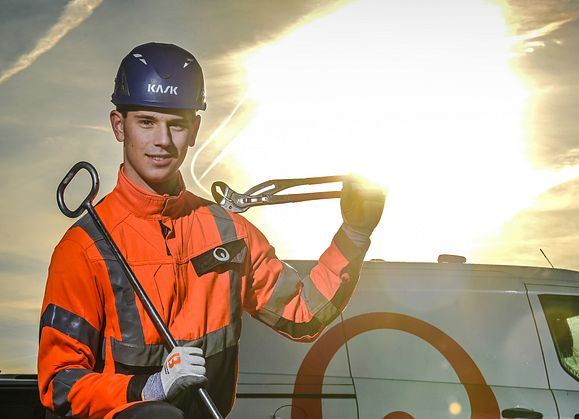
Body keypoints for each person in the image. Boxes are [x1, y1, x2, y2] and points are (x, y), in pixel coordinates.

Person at [37, 42, 385, 419]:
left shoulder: (229, 233)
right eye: (147, 122)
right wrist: (147, 391)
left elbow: (303, 315)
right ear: (119, 125)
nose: (163, 141)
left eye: (177, 124)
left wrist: (354, 234)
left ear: (195, 129)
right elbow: (59, 382)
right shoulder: (84, 248)